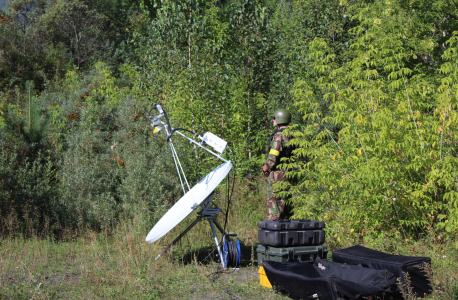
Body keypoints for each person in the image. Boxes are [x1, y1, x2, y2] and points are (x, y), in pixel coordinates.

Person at [262, 109, 293, 221]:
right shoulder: (293, 135)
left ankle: (274, 231)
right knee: (288, 205)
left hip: (278, 174)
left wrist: (266, 168)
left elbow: (273, 156)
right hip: (291, 172)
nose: (273, 120)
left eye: (274, 118)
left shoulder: (278, 136)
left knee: (275, 204)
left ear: (279, 120)